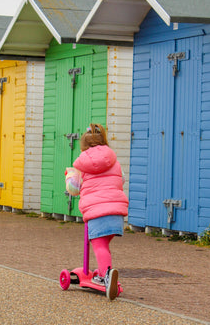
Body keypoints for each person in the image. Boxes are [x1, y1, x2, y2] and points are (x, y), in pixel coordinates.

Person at [71, 123, 129, 300]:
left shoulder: (81, 166)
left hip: (97, 211)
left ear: (84, 146)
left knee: (99, 245)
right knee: (104, 245)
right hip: (116, 212)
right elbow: (123, 179)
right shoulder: (114, 161)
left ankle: (106, 277)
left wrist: (68, 176)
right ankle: (105, 272)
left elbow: (73, 188)